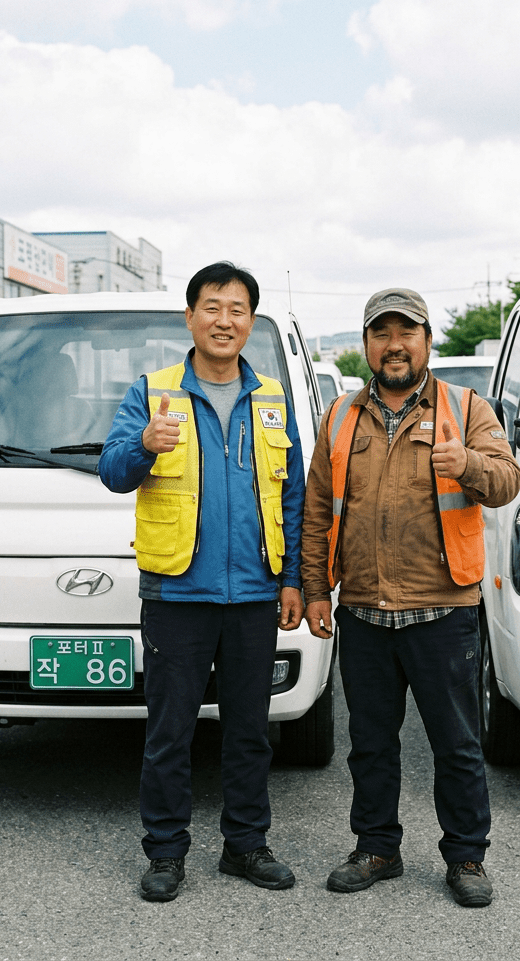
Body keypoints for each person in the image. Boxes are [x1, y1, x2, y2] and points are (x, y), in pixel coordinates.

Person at [301, 288, 520, 907]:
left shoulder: (466, 406)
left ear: (428, 341)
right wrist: (317, 588)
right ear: (366, 344)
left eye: (407, 332)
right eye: (381, 333)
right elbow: (318, 509)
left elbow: (507, 481)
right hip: (364, 611)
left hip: (444, 609)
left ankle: (467, 857)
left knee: (456, 743)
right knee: (370, 742)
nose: (394, 345)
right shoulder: (342, 416)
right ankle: (377, 847)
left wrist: (468, 465)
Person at [99, 262, 305, 903]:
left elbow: (292, 495)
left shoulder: (272, 398)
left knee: (249, 733)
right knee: (170, 733)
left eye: (238, 309)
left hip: (253, 595)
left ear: (251, 322)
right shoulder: (153, 393)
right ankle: (165, 853)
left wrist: (294, 579)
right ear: (189, 317)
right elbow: (111, 471)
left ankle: (246, 846)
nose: (225, 320)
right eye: (212, 307)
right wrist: (143, 445)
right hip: (176, 595)